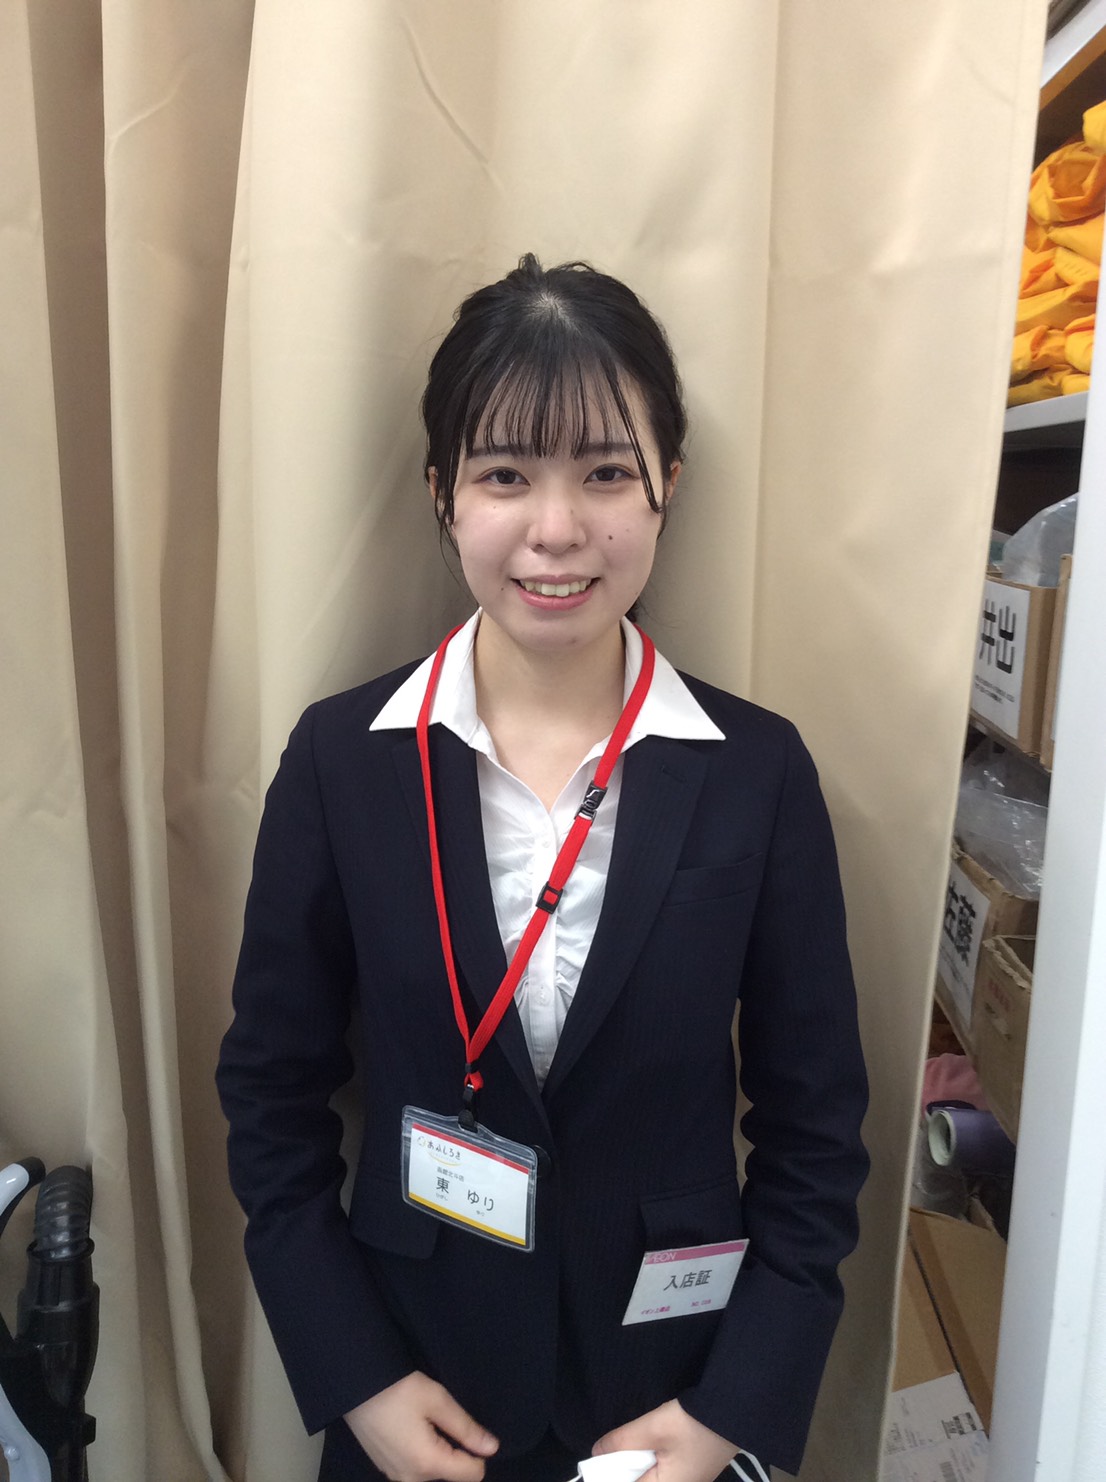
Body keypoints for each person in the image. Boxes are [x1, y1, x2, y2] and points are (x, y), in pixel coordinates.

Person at [217, 255, 869, 1482]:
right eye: (504, 474)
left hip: (664, 1397)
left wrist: (731, 1404)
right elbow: (269, 1092)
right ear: (441, 494)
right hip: (415, 1384)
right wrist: (353, 1377)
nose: (557, 529)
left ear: (667, 487)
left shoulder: (756, 772)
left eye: (606, 473)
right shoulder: (342, 762)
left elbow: (814, 1125)